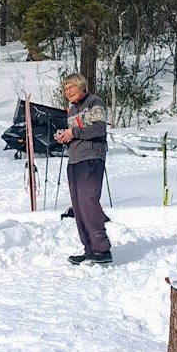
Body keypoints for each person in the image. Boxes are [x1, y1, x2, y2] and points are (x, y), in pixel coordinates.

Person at [54, 73, 112, 265]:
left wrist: (74, 132)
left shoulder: (94, 102)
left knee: (88, 202)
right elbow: (76, 133)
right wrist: (65, 137)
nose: (67, 91)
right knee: (78, 206)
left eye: (70, 87)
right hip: (74, 159)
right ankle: (89, 249)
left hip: (92, 157)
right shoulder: (71, 110)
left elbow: (99, 129)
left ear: (80, 85)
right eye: (65, 88)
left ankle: (102, 249)